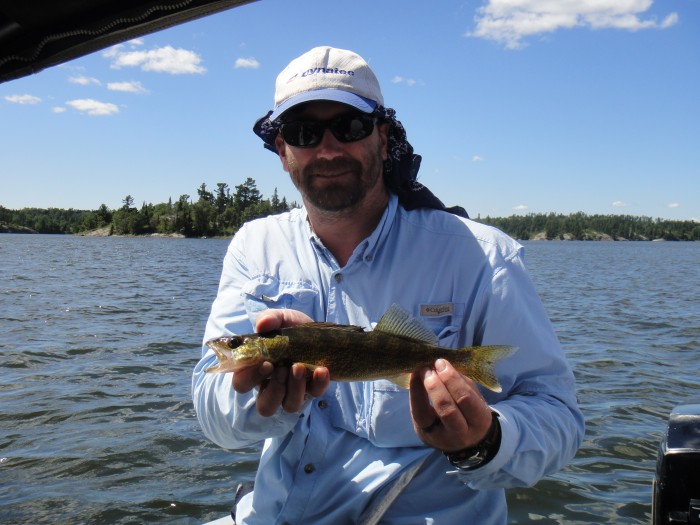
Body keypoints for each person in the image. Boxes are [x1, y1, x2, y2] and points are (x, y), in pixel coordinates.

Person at [193, 46, 584, 524]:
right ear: (282, 151)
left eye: (350, 127)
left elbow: (557, 414)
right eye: (303, 132)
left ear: (383, 136)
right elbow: (214, 416)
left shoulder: (483, 257)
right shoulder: (255, 246)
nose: (328, 148)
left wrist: (486, 442)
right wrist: (259, 403)